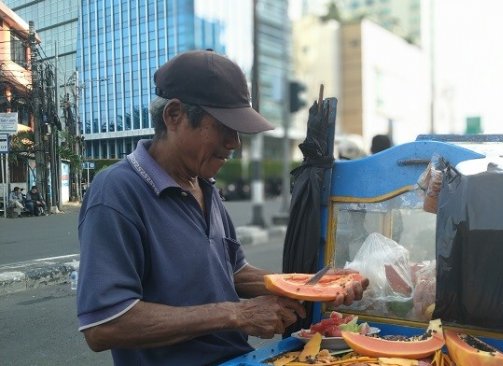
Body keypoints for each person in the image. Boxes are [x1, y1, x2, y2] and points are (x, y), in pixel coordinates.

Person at [76, 50, 367, 365]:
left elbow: (236, 272)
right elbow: (105, 324)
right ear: (174, 116)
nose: (235, 143)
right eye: (224, 126)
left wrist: (317, 285)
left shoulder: (204, 187)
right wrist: (237, 314)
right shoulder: (117, 192)